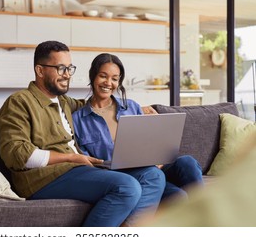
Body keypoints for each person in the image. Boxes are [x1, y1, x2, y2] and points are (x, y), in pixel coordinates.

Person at [0, 41, 165, 227]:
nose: (67, 75)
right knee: (126, 186)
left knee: (153, 176)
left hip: (77, 170)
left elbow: (96, 106)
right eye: (61, 68)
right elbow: (16, 154)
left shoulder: (64, 102)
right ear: (40, 70)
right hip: (43, 178)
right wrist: (70, 157)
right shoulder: (19, 102)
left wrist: (136, 110)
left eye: (70, 68)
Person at [72, 53, 203, 202]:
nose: (108, 83)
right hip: (126, 178)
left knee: (187, 162)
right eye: (103, 76)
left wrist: (158, 157)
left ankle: (206, 215)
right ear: (93, 76)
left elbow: (151, 143)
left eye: (115, 79)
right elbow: (89, 165)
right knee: (178, 197)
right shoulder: (78, 120)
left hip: (152, 168)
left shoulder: (132, 107)